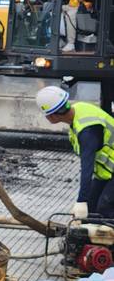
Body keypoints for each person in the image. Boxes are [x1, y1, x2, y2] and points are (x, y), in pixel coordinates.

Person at [36, 86, 114, 219]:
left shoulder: (87, 132)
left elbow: (87, 168)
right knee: (92, 208)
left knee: (105, 208)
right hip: (108, 173)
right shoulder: (79, 109)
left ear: (52, 116)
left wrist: (81, 200)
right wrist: (85, 202)